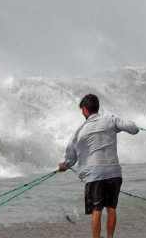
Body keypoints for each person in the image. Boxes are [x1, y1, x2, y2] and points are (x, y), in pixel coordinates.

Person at [58, 94, 139, 238]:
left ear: (84, 109)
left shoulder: (80, 131)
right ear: (97, 107)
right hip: (114, 172)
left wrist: (64, 166)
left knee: (97, 209)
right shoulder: (110, 119)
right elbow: (134, 128)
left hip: (95, 175)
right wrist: (118, 125)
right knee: (111, 208)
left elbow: (71, 158)